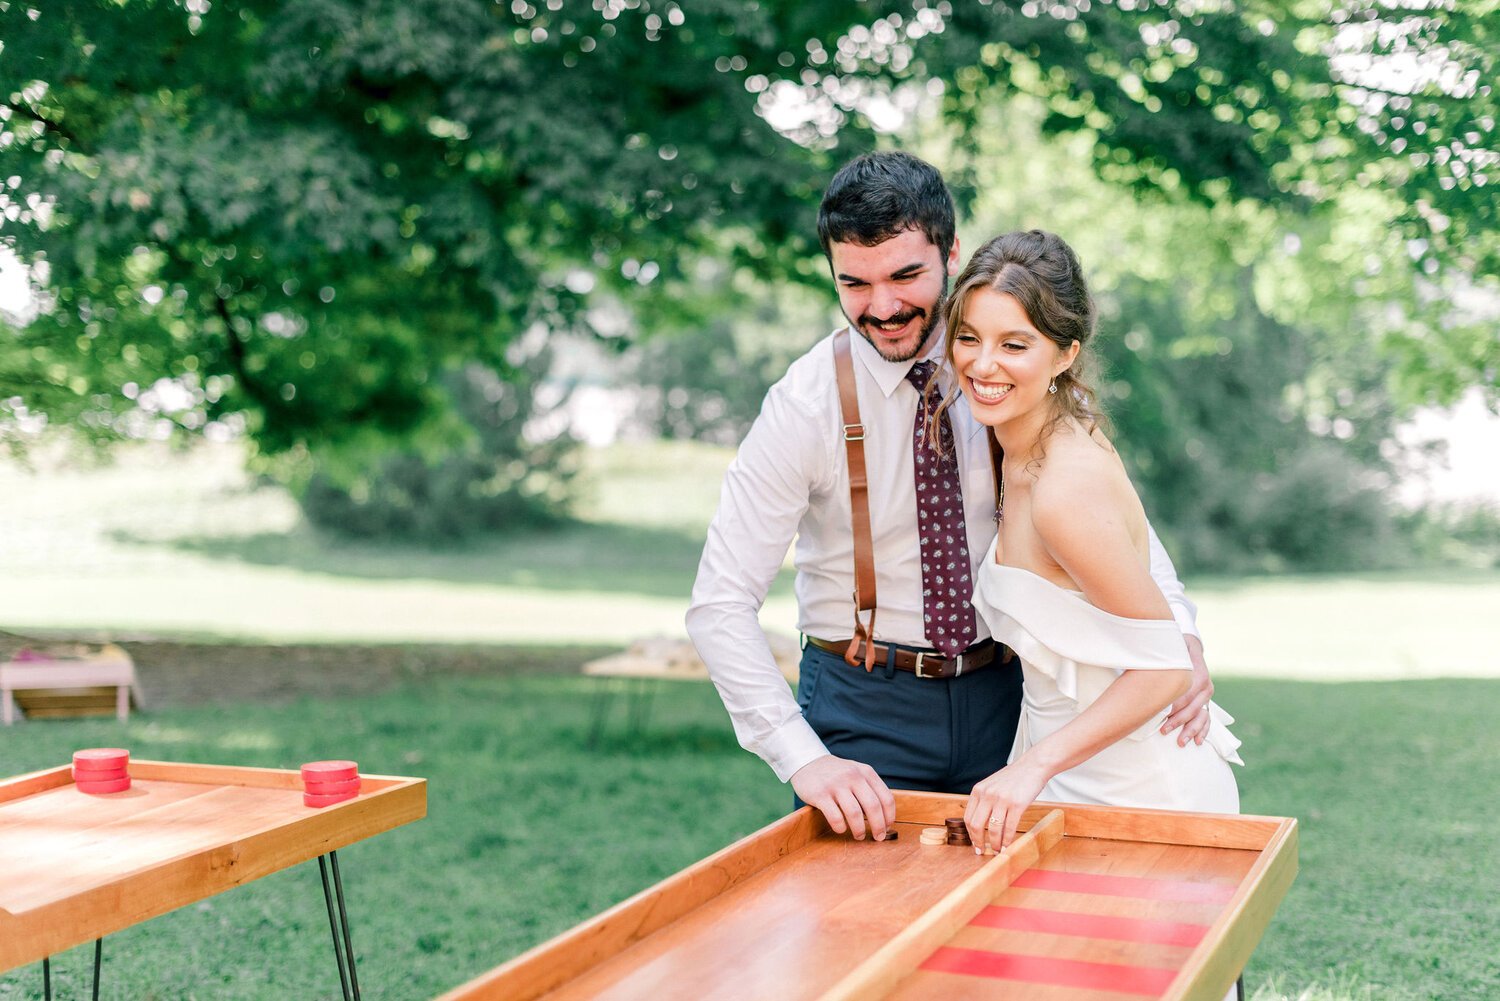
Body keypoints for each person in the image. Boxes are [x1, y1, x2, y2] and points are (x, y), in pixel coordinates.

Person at [685, 151, 1215, 843]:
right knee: (859, 934)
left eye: (906, 275)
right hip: (863, 707)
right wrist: (805, 759)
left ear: (950, 253)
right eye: (855, 283)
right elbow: (719, 604)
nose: (883, 306)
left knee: (1006, 934)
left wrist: (1179, 631)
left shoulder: (1000, 369)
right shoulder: (803, 404)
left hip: (1010, 693)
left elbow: (1105, 507)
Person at [939, 229, 1243, 857]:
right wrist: (1180, 624)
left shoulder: (1064, 485)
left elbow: (1163, 669)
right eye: (968, 337)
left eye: (1014, 344)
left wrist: (1032, 767)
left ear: (1063, 354)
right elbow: (1147, 555)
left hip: (1141, 790)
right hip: (1066, 775)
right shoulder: (1022, 434)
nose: (981, 363)